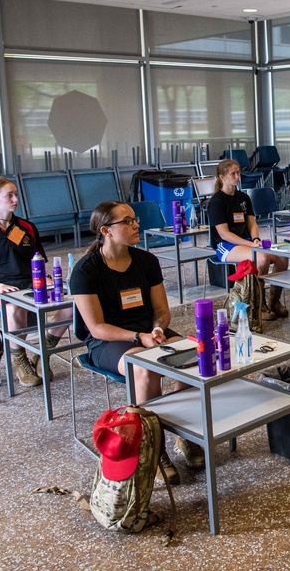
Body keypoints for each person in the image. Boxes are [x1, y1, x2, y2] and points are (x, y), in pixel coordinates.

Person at [70, 201, 202, 482]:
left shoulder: (146, 261)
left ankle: (185, 434)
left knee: (195, 355)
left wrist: (156, 328)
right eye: (127, 221)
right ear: (106, 230)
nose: (136, 225)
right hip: (107, 340)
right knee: (146, 367)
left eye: (135, 220)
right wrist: (137, 337)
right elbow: (95, 327)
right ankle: (153, 448)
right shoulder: (85, 271)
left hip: (146, 332)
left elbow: (161, 310)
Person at [0, 176, 71, 387]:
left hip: (30, 284)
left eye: (16, 194)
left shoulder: (27, 228)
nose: (15, 199)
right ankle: (20, 360)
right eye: (9, 195)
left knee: (71, 305)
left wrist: (49, 281)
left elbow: (37, 262)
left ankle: (43, 352)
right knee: (14, 308)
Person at [208, 159, 289, 321]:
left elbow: (252, 223)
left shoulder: (243, 197)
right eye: (233, 174)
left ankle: (274, 300)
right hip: (227, 246)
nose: (238, 177)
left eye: (239, 173)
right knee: (262, 257)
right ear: (222, 177)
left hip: (246, 241)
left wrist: (256, 239)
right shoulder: (217, 201)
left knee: (282, 257)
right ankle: (258, 305)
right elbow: (224, 234)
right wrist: (251, 244)